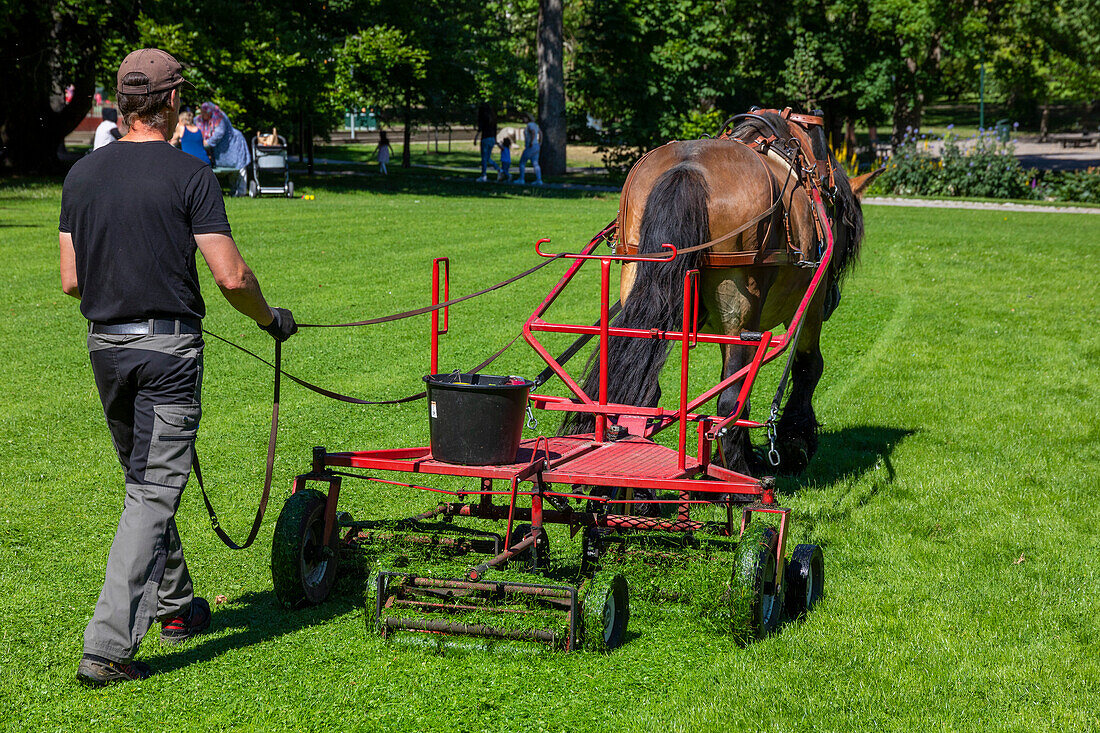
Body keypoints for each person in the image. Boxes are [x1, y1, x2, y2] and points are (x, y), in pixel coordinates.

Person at [58, 48, 297, 687]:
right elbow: (232, 275)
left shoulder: (80, 177)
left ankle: (175, 604)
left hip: (106, 349)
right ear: (170, 103)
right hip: (167, 354)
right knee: (152, 492)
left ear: (121, 101)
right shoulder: (191, 174)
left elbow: (71, 281)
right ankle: (107, 648)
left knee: (143, 482)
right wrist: (270, 319)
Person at [196, 101, 250, 195]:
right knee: (231, 171)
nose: (203, 114)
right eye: (202, 112)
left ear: (210, 112)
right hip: (221, 149)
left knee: (240, 167)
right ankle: (234, 191)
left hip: (234, 144)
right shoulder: (200, 120)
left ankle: (242, 192)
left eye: (205, 112)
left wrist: (206, 143)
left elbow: (218, 134)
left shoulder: (219, 118)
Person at [474, 102, 501, 182]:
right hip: (492, 138)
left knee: (484, 158)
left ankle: (484, 175)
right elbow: (495, 130)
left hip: (485, 138)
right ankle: (499, 169)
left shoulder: (484, 117)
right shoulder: (493, 118)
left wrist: (476, 138)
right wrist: (495, 139)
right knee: (488, 158)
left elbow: (480, 128)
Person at [516, 113, 543, 185]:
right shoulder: (535, 125)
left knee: (522, 162)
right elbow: (540, 133)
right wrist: (540, 142)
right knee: (535, 163)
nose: (523, 120)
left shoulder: (530, 125)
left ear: (527, 118)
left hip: (530, 146)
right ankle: (539, 179)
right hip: (537, 146)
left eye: (524, 118)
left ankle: (521, 179)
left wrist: (531, 141)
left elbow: (533, 132)